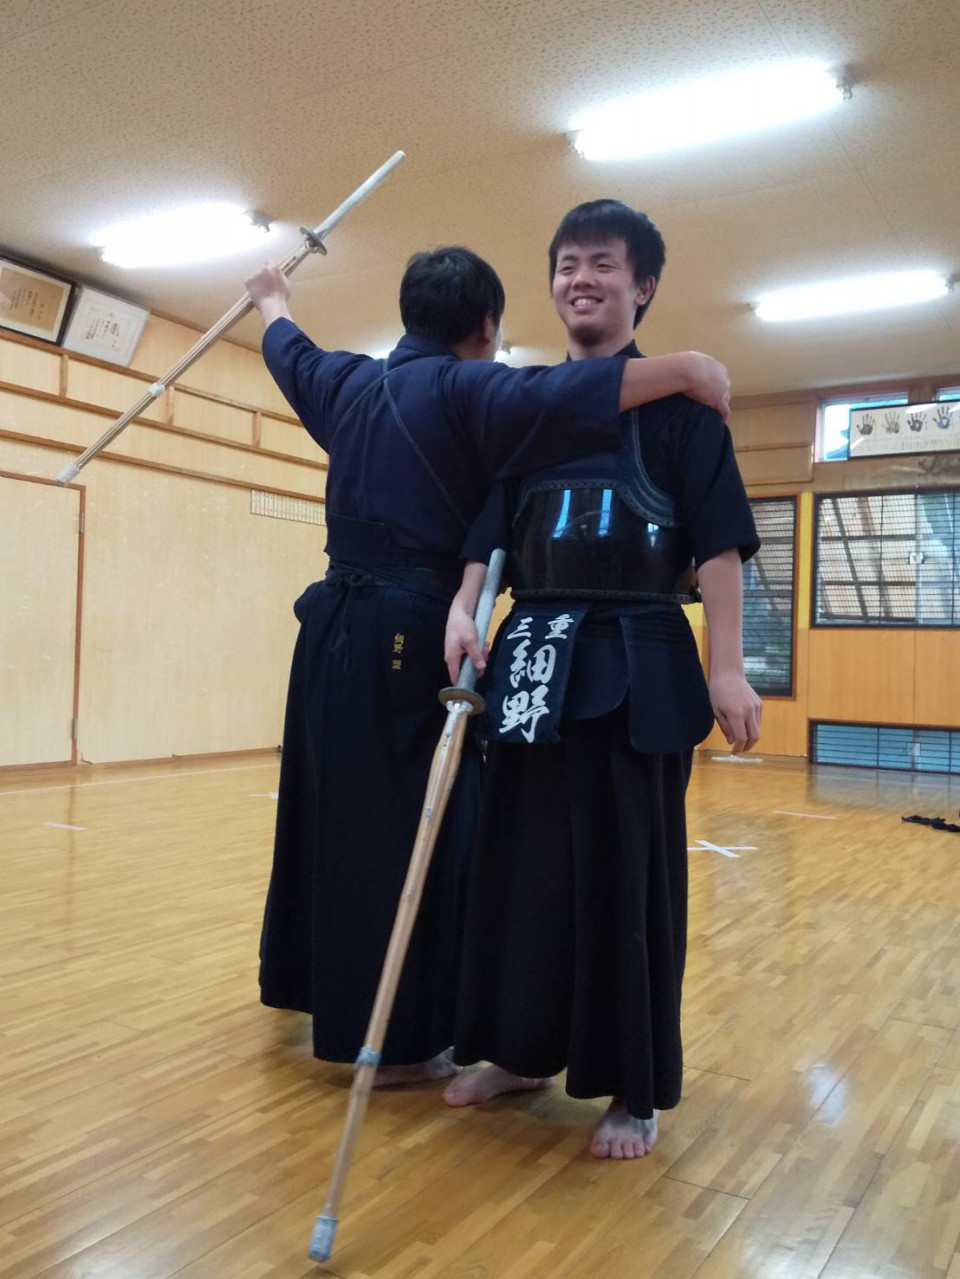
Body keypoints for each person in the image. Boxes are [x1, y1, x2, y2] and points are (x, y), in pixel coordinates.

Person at [246, 247, 734, 1086]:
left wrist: (270, 298)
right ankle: (399, 1037)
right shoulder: (468, 385)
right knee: (415, 833)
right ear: (485, 328)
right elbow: (568, 390)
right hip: (417, 629)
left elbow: (289, 352)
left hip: (328, 636)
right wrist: (687, 366)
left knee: (336, 820)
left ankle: (324, 993)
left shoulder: (346, 383)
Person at [442, 203, 762, 1153]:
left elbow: (719, 550)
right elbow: (489, 532)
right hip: (535, 655)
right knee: (519, 870)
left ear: (643, 285)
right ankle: (518, 1047)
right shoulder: (527, 407)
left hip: (637, 660)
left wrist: (730, 669)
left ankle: (633, 1087)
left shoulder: (682, 414)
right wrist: (465, 608)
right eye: (568, 264)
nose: (582, 278)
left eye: (604, 265)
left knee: (628, 878)